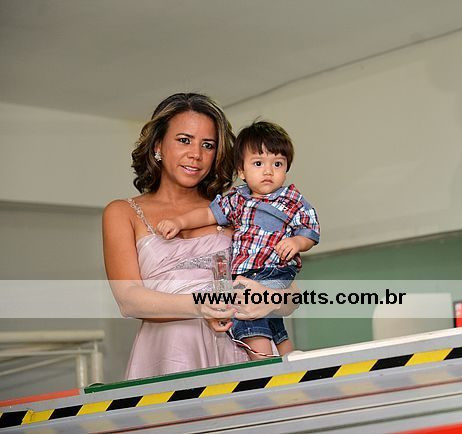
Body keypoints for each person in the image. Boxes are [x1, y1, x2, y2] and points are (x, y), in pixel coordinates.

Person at [103, 94, 296, 379]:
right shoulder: (122, 212)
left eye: (208, 145)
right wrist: (202, 305)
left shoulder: (236, 208)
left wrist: (272, 299)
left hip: (238, 349)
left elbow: (290, 291)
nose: (196, 154)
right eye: (184, 140)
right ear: (158, 145)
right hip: (169, 355)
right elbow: (129, 300)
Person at [157, 121, 320, 359]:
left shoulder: (291, 199)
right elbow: (208, 214)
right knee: (272, 324)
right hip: (246, 273)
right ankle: (290, 359)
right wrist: (180, 222)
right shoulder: (236, 199)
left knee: (248, 317)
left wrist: (297, 243)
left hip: (275, 271)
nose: (268, 171)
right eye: (258, 163)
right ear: (242, 171)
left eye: (277, 164)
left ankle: (264, 366)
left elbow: (310, 230)